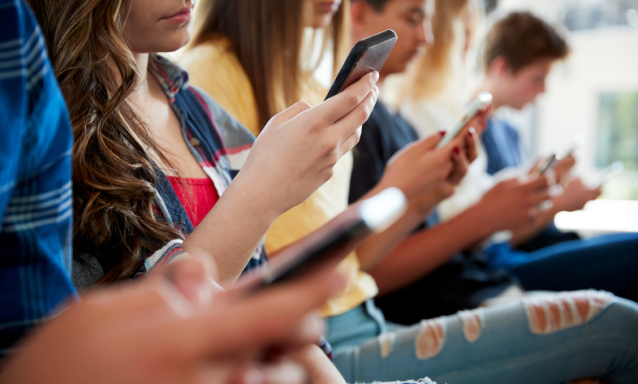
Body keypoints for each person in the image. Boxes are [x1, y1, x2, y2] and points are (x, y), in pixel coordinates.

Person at [0, 1, 351, 383]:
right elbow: (122, 347)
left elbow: (262, 300)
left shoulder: (201, 110)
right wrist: (260, 196)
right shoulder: (59, 134)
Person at [338, 1, 638, 383]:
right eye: (414, 19)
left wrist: (436, 196)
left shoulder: (397, 121)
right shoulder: (369, 120)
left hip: (472, 282)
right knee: (621, 324)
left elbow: (390, 240)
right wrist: (486, 214)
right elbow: (367, 265)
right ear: (359, 13)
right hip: (451, 295)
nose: (427, 37)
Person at [397, 8, 638, 311]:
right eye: (537, 78)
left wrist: (540, 189)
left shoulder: (500, 130)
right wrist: (556, 202)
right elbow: (491, 225)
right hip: (491, 260)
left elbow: (488, 211)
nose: (544, 90)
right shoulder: (431, 115)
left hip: (491, 259)